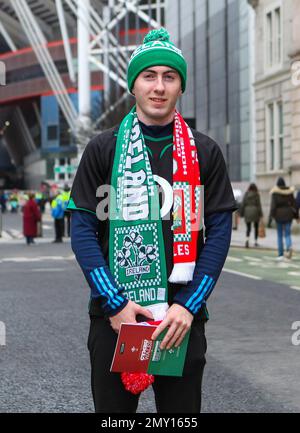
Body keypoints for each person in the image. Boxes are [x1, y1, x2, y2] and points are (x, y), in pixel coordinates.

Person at [68, 28, 237, 413]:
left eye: (169, 77)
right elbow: (82, 231)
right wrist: (114, 305)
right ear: (134, 85)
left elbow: (219, 234)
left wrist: (189, 306)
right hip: (116, 315)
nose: (159, 87)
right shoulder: (103, 149)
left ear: (180, 86)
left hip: (182, 320)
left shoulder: (205, 152)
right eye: (149, 76)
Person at [269, 177, 299, 260]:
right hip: (289, 215)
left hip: (279, 216)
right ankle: (289, 248)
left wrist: (271, 217)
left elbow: (273, 206)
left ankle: (280, 254)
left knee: (279, 235)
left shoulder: (275, 193)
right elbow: (294, 205)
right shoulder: (289, 192)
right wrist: (296, 216)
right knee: (287, 234)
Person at [239, 183, 263, 248]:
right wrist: (261, 214)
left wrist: (241, 214)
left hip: (247, 212)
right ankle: (255, 241)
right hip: (255, 212)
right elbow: (259, 205)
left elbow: (243, 204)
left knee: (248, 228)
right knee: (256, 227)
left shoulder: (246, 194)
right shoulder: (257, 194)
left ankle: (247, 240)